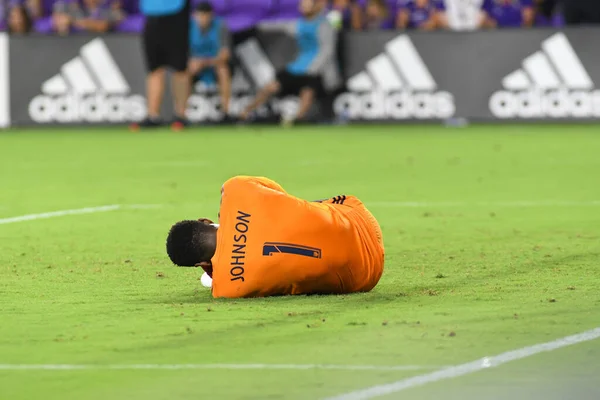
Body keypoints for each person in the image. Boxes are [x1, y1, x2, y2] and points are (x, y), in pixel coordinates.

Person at [166, 176, 385, 298]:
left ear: (202, 263)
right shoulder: (235, 189)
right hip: (361, 219)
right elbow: (280, 194)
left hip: (365, 278)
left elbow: (218, 279)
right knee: (291, 207)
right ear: (205, 221)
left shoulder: (228, 289)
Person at [239, 0, 336, 126]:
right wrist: (255, 24)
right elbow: (277, 26)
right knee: (270, 87)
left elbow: (327, 50)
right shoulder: (298, 24)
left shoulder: (324, 24)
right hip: (297, 67)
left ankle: (299, 119)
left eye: (306, 4)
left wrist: (313, 68)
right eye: (302, 4)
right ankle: (244, 113)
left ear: (316, 5)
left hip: (317, 70)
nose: (303, 7)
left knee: (308, 89)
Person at [134, 0, 191, 130]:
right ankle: (153, 116)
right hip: (151, 16)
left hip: (176, 14)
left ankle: (181, 115)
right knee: (154, 68)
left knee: (180, 68)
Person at [188, 2, 232, 118]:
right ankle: (183, 112)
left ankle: (225, 112)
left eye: (205, 16)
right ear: (194, 16)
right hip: (195, 64)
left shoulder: (220, 26)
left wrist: (205, 62)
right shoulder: (188, 27)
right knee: (184, 73)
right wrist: (193, 62)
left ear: (211, 16)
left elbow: (225, 54)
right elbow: (183, 54)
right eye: (200, 16)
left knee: (223, 70)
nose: (203, 19)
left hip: (214, 63)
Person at [52, 0, 124, 35]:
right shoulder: (70, 6)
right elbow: (60, 23)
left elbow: (103, 26)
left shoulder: (109, 7)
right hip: (73, 46)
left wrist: (73, 22)